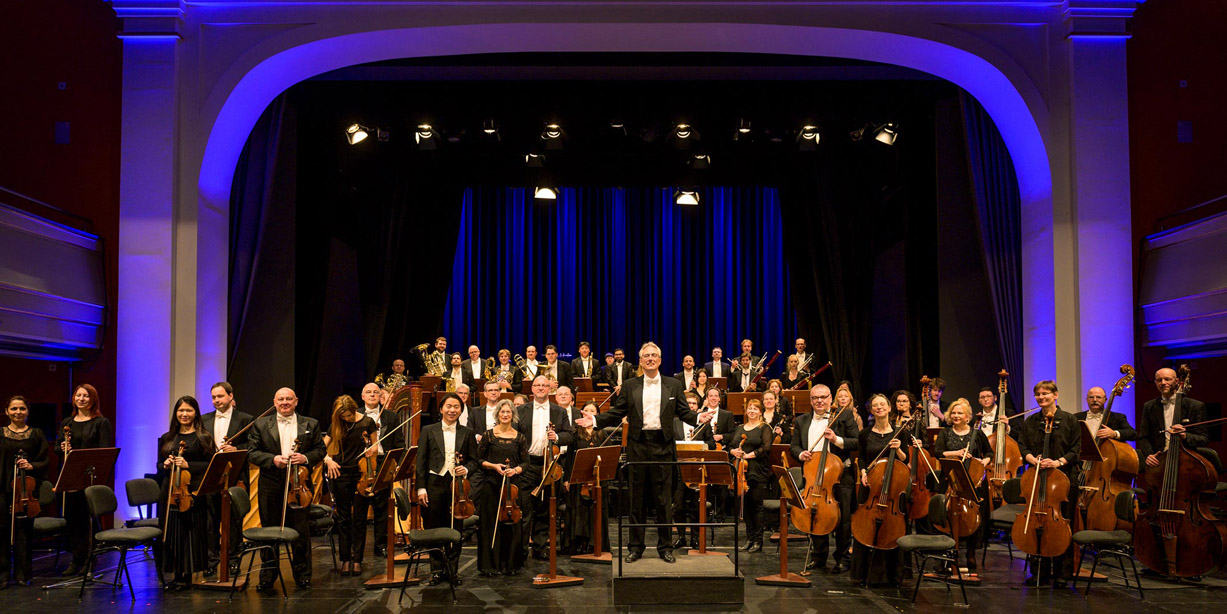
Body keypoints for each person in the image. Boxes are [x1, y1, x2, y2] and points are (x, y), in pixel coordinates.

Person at [577, 342, 714, 563]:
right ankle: (635, 547)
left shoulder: (673, 385)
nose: (650, 359)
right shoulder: (630, 385)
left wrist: (699, 417)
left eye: (654, 355)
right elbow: (617, 412)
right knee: (636, 500)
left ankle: (665, 547)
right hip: (638, 446)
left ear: (660, 360)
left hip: (663, 446)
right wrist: (594, 420)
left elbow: (683, 412)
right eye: (646, 356)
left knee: (663, 501)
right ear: (640, 361)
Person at [246, 387, 326, 590]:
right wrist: (272, 459)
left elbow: (320, 450)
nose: (284, 402)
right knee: (270, 529)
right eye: (280, 399)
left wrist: (305, 458)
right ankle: (268, 576)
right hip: (271, 483)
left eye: (288, 399)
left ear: (296, 401)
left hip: (300, 484)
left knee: (300, 530)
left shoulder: (311, 423)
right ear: (274, 402)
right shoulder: (261, 424)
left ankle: (302, 575)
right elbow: (252, 453)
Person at [1016, 380, 1079, 588]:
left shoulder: (1069, 420)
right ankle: (1039, 572)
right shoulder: (1031, 422)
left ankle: (1062, 573)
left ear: (1056, 395)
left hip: (1064, 481)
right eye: (1038, 394)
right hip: (1036, 477)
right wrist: (1032, 460)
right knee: (1035, 525)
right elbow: (1022, 445)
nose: (1041, 397)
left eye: (1045, 394)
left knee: (1063, 526)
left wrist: (1058, 462)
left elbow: (1076, 449)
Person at [790, 383, 858, 573]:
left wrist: (837, 439)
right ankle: (818, 557)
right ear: (811, 400)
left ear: (830, 398)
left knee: (843, 519)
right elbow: (793, 446)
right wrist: (801, 454)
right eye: (815, 398)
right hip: (813, 476)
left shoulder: (843, 416)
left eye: (823, 397)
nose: (819, 401)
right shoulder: (802, 420)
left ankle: (843, 558)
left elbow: (857, 440)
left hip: (839, 476)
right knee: (816, 515)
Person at [415, 393, 479, 584]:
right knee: (434, 527)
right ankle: (436, 570)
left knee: (456, 528)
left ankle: (452, 570)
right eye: (449, 406)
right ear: (441, 409)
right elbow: (421, 462)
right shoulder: (428, 430)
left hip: (458, 486)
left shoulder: (467, 432)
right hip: (434, 484)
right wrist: (420, 488)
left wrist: (466, 468)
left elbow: (474, 461)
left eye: (457, 407)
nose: (452, 410)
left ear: (461, 410)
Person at [157, 396, 214, 590]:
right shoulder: (167, 437)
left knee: (189, 533)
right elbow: (158, 465)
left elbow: (210, 465)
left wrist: (189, 464)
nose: (184, 414)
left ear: (196, 413)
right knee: (172, 532)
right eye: (181, 411)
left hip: (192, 490)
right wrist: (164, 464)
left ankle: (187, 575)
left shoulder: (203, 437)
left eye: (188, 410)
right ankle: (174, 573)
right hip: (170, 489)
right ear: (175, 414)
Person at [58, 384, 114, 576]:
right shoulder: (68, 422)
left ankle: (90, 558)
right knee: (72, 519)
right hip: (71, 475)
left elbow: (104, 449)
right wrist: (64, 446)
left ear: (93, 399)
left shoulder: (101, 422)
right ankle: (76, 558)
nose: (81, 399)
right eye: (78, 395)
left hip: (91, 477)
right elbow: (58, 448)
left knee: (88, 519)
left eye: (86, 396)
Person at [850, 393, 906, 586]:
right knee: (864, 524)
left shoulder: (900, 432)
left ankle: (891, 574)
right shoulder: (865, 433)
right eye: (875, 405)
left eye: (883, 404)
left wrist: (898, 449)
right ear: (871, 410)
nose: (879, 407)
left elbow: (905, 460)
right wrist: (863, 472)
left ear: (890, 408)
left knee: (893, 525)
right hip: (870, 486)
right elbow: (863, 458)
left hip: (892, 489)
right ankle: (861, 573)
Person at [515, 376, 574, 560]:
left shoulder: (559, 411)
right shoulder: (521, 410)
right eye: (537, 385)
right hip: (527, 465)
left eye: (544, 385)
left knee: (543, 509)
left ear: (550, 389)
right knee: (525, 509)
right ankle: (521, 550)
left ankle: (540, 548)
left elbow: (569, 435)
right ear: (532, 389)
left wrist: (556, 437)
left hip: (549, 466)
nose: (541, 388)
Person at [934, 398, 992, 577]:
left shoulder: (977, 433)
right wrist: (956, 453)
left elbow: (989, 452)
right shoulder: (945, 433)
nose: (956, 415)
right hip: (950, 479)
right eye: (953, 412)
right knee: (949, 515)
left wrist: (984, 461)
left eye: (960, 413)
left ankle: (971, 553)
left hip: (973, 481)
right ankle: (950, 552)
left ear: (968, 417)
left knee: (973, 516)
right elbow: (937, 452)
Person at [200, 381, 253, 577]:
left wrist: (237, 449)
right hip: (211, 474)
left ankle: (232, 559)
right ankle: (212, 561)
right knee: (210, 520)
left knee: (233, 520)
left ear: (231, 396)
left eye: (220, 396)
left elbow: (253, 445)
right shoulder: (203, 420)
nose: (216, 400)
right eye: (213, 397)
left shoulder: (245, 419)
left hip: (235, 475)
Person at [322, 395, 379, 577]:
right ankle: (345, 559)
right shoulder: (336, 425)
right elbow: (322, 449)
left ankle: (357, 559)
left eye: (348, 415)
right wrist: (328, 460)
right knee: (344, 519)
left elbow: (376, 446)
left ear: (354, 410)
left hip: (361, 474)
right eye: (342, 416)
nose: (345, 419)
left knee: (360, 518)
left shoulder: (367, 422)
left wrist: (372, 450)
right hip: (339, 473)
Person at [476, 400, 529, 576]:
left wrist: (516, 470)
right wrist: (494, 466)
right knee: (490, 524)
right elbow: (479, 460)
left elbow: (525, 462)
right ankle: (490, 565)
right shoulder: (489, 435)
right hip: (491, 485)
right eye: (502, 412)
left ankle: (510, 564)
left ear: (513, 415)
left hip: (512, 487)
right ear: (497, 414)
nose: (505, 415)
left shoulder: (520, 437)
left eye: (508, 412)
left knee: (511, 525)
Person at [1, 396, 49, 587]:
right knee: (1, 531)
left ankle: (23, 574)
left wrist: (31, 465)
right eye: (13, 409)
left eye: (22, 409)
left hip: (25, 491)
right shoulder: (0, 434)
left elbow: (44, 460)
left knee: (24, 532)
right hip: (2, 488)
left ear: (27, 411)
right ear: (7, 411)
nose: (18, 412)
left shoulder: (36, 434)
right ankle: (2, 575)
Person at [564, 400, 610, 556]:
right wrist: (568, 479)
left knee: (596, 512)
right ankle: (580, 543)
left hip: (598, 481)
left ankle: (595, 543)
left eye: (593, 411)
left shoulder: (603, 434)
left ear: (597, 415)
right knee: (580, 512)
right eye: (586, 410)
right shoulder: (576, 434)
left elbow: (609, 457)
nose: (589, 413)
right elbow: (570, 457)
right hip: (579, 481)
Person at [1137, 367, 1207, 469]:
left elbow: (1203, 439)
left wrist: (1184, 435)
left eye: (1167, 379)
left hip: (1186, 463)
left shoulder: (1196, 406)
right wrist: (1148, 455)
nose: (1163, 382)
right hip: (1159, 461)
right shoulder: (1149, 406)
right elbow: (1144, 437)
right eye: (1159, 380)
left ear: (1177, 381)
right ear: (1155, 383)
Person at [730, 399, 774, 552]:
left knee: (757, 507)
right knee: (746, 506)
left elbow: (766, 447)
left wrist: (749, 455)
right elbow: (731, 445)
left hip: (757, 471)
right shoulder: (740, 428)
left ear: (760, 412)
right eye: (750, 408)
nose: (752, 411)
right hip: (742, 472)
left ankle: (758, 540)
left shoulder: (764, 428)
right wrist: (733, 452)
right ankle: (749, 539)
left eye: (756, 408)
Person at [672, 391, 712, 549]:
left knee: (696, 506)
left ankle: (695, 538)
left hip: (697, 471)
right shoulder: (674, 422)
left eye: (694, 403)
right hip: (678, 471)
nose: (691, 406)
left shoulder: (703, 424)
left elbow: (710, 442)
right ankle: (681, 536)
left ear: (698, 406)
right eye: (688, 403)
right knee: (678, 506)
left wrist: (701, 447)